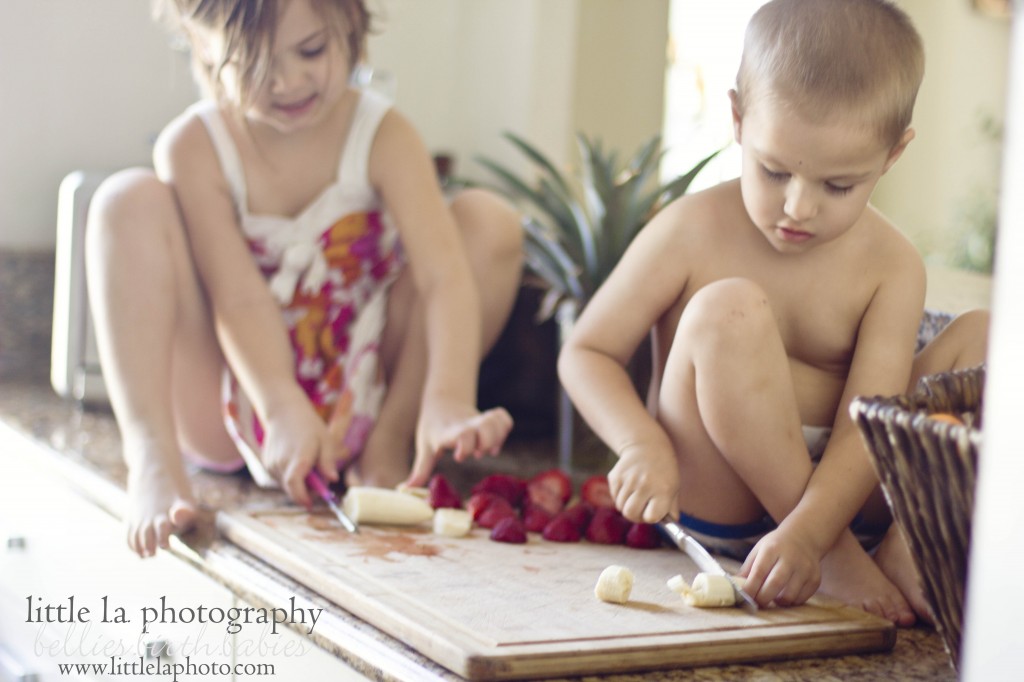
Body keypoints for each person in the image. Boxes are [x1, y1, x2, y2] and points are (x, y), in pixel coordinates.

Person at [557, 0, 988, 626]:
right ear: (737, 118)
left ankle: (908, 546)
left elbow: (872, 415)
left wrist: (817, 528)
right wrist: (639, 441)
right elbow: (586, 351)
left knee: (991, 337)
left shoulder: (892, 264)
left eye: (838, 185)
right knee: (729, 309)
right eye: (774, 170)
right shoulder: (689, 229)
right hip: (718, 491)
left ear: (893, 154)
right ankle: (832, 556)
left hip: (848, 494)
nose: (798, 207)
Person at [86, 0, 523, 558]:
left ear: (353, 24)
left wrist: (449, 396)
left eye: (310, 50)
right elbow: (237, 296)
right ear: (203, 48)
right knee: (124, 201)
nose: (287, 81)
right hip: (235, 400)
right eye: (253, 64)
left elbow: (443, 278)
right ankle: (151, 457)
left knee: (488, 221)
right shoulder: (195, 146)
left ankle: (385, 448)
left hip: (370, 394)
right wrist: (280, 405)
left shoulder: (384, 134)